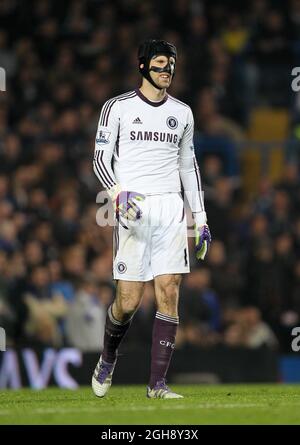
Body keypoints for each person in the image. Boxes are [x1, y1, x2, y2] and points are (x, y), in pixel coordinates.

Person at [92, 39, 211, 399]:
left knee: (170, 290)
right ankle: (108, 357)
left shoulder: (183, 113)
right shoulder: (117, 108)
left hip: (171, 209)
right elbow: (100, 159)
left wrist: (200, 218)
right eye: (160, 64)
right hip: (133, 209)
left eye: (171, 65)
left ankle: (157, 385)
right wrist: (117, 194)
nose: (167, 71)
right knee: (128, 302)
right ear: (143, 66)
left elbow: (188, 166)